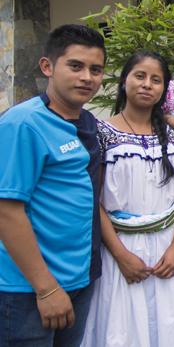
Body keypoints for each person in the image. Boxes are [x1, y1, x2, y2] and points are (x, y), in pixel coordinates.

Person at [0, 24, 105, 347]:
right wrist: (45, 288)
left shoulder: (87, 123)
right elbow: (7, 210)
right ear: (48, 66)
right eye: (75, 66)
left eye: (96, 69)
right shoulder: (23, 124)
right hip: (29, 291)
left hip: (78, 281)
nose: (87, 77)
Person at [81, 51, 174, 347]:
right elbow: (96, 201)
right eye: (139, 76)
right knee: (123, 327)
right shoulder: (102, 132)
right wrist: (120, 254)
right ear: (124, 81)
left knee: (170, 324)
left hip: (168, 246)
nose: (147, 85)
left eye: (156, 80)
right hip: (122, 247)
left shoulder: (171, 133)